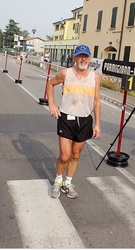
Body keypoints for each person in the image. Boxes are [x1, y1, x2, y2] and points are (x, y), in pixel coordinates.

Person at [47, 44, 101, 199]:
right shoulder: (66, 73)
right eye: (80, 56)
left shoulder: (95, 77)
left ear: (90, 59)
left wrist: (97, 123)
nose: (83, 59)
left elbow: (96, 101)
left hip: (85, 119)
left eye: (85, 56)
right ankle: (57, 181)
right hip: (66, 118)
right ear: (74, 58)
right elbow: (50, 84)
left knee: (75, 155)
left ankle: (68, 183)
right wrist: (52, 103)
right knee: (65, 155)